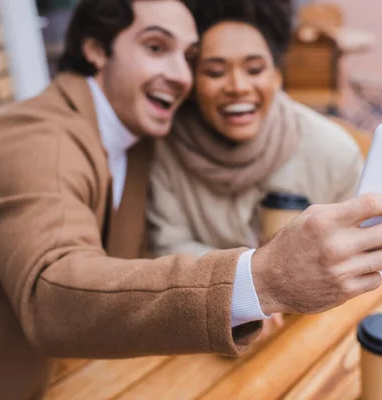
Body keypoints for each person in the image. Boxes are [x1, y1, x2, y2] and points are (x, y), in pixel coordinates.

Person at [0, 0, 382, 398]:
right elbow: (53, 296)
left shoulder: (141, 139)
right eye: (156, 48)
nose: (181, 76)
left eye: (188, 57)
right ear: (96, 48)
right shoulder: (30, 139)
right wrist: (261, 280)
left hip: (105, 368)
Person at [147, 2, 364, 335]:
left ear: (277, 77)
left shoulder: (333, 152)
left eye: (254, 69)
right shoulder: (165, 150)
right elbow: (169, 247)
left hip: (319, 330)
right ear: (191, 83)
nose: (237, 86)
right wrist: (247, 289)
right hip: (208, 330)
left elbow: (368, 262)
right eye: (215, 72)